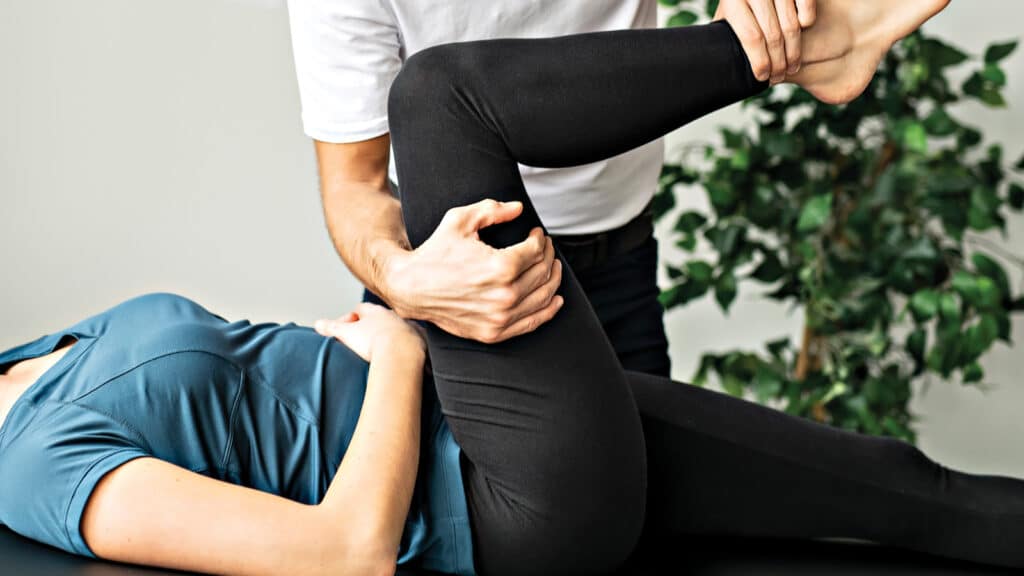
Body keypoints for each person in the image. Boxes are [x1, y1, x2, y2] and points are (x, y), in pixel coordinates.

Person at [7, 3, 1020, 576]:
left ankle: (806, 41)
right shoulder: (28, 466)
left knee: (905, 493)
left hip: (528, 374)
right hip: (494, 451)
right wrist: (400, 332)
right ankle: (817, 51)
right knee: (437, 98)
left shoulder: (29, 361)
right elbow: (347, 554)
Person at [286, 0, 820, 377]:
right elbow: (355, 182)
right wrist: (400, 279)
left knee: (647, 515)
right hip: (455, 279)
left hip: (619, 263)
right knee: (444, 526)